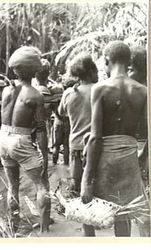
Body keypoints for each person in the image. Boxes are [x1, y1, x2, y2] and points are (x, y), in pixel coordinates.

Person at [81, 41, 147, 237]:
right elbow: (147, 132)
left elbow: (95, 137)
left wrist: (87, 177)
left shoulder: (100, 89)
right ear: (128, 62)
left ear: (106, 61)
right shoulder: (142, 91)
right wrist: (142, 159)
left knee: (88, 212)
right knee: (123, 214)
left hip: (104, 158)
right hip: (129, 157)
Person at [0, 46, 51, 233]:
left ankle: (13, 229)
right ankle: (45, 233)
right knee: (42, 185)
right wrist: (44, 156)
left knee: (13, 186)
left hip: (3, 138)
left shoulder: (6, 91)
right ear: (35, 70)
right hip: (20, 139)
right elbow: (42, 129)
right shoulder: (35, 95)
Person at [58, 53, 98, 195]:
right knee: (95, 186)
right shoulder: (101, 89)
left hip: (76, 145)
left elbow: (61, 112)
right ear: (92, 71)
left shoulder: (69, 93)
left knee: (76, 187)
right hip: (96, 145)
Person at [128, 46, 150, 237]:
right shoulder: (135, 91)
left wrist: (144, 153)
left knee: (144, 202)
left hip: (145, 149)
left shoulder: (146, 92)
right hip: (139, 147)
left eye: (131, 69)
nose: (128, 73)